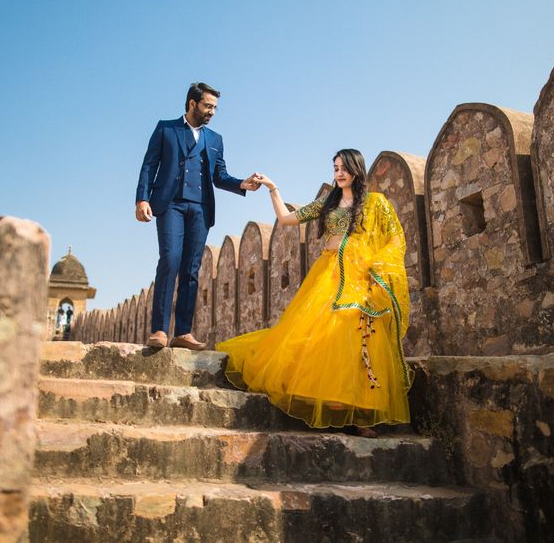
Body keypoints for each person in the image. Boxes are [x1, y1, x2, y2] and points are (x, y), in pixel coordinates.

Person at [215, 149, 412, 436]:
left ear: (357, 169)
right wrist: (273, 188)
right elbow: (286, 219)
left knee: (359, 336)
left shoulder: (376, 203)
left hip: (361, 276)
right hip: (328, 276)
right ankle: (329, 402)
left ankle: (361, 416)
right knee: (317, 334)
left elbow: (396, 238)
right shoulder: (328, 203)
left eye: (344, 168)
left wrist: (378, 265)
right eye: (335, 168)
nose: (339, 173)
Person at [136, 82, 261, 350]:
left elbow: (219, 176)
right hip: (170, 205)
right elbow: (149, 166)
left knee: (191, 270)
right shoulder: (165, 129)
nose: (212, 112)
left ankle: (183, 333)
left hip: (201, 209)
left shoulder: (215, 139)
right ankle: (159, 329)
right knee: (169, 260)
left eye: (215, 107)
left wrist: (242, 184)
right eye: (208, 106)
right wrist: (142, 199)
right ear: (192, 104)